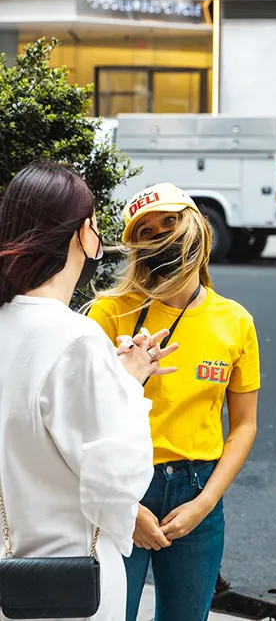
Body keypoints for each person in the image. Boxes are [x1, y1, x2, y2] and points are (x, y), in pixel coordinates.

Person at [0, 161, 175, 620]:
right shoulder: (76, 339)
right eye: (95, 224)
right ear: (81, 234)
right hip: (71, 582)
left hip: (8, 572)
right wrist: (127, 383)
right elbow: (116, 481)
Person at [87, 183, 261, 621]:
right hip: (124, 488)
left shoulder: (235, 321)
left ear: (196, 226)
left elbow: (243, 425)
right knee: (109, 613)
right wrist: (125, 506)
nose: (160, 234)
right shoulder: (109, 314)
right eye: (145, 231)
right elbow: (83, 423)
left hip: (198, 490)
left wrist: (204, 504)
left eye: (169, 221)